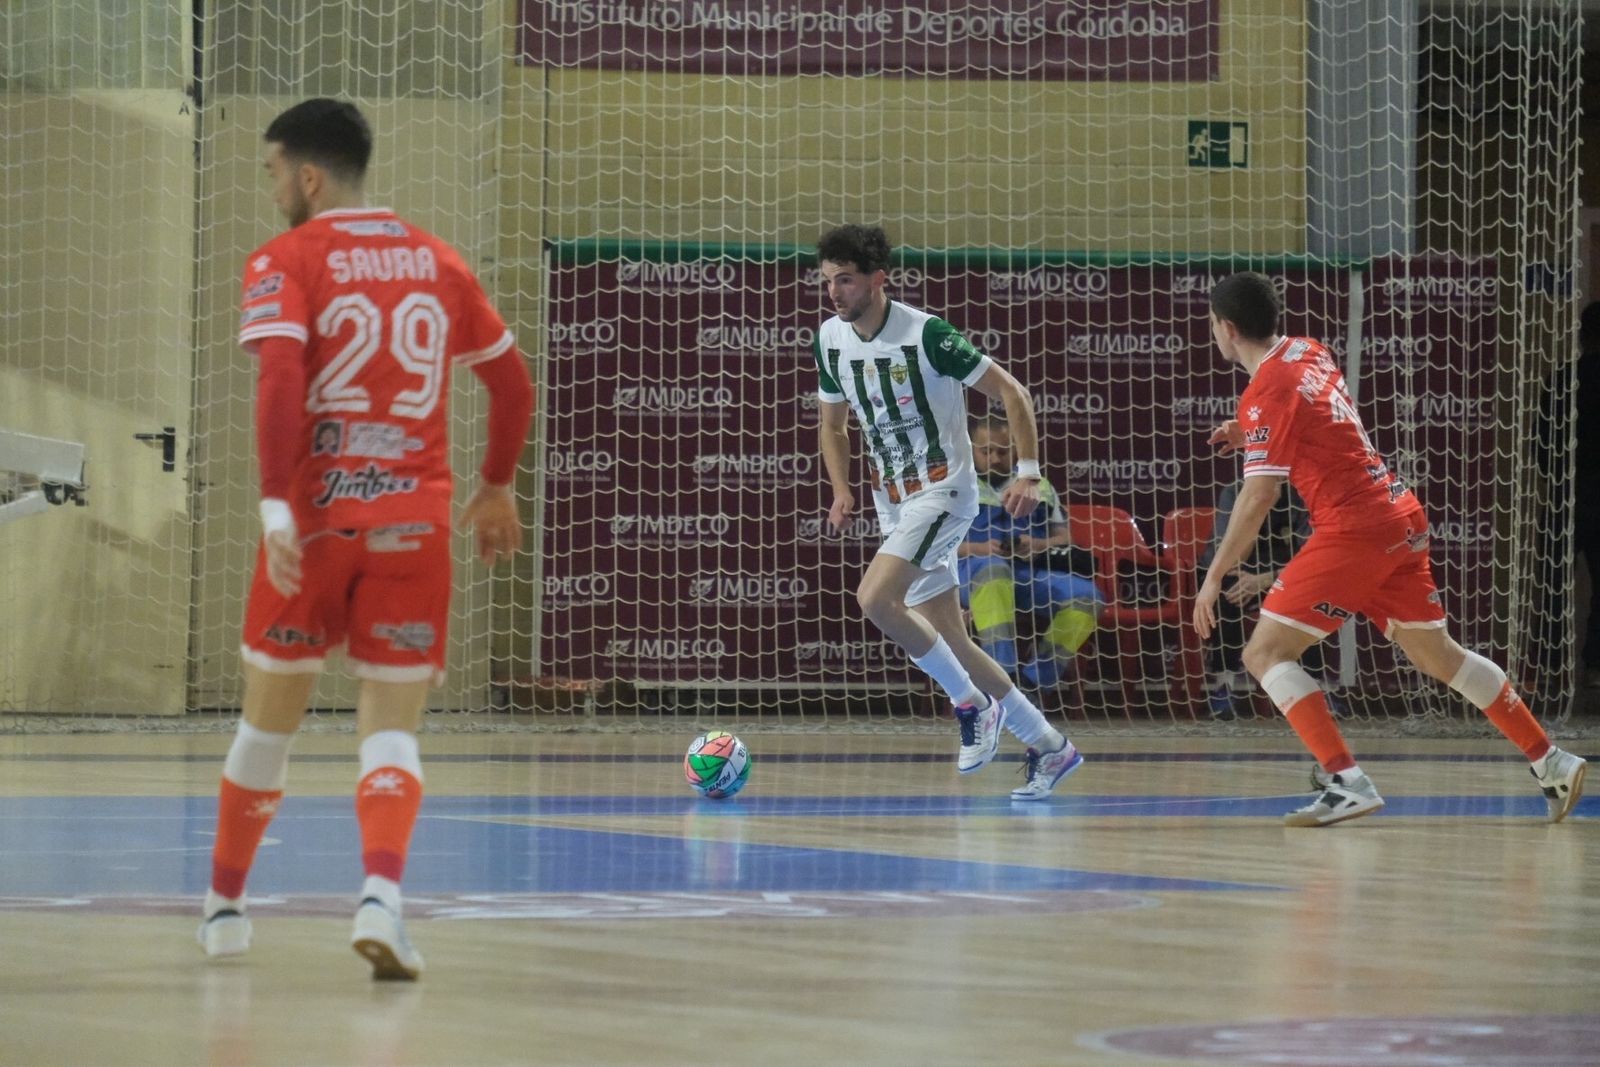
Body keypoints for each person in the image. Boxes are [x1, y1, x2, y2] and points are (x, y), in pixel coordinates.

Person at [199, 99, 535, 977]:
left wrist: (276, 507)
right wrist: (497, 485)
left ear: (307, 175)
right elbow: (512, 384)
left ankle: (226, 910)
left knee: (267, 727)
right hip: (412, 527)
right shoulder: (437, 260)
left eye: (273, 171)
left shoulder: (286, 258)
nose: (272, 188)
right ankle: (382, 896)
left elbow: (279, 377)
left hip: (312, 527)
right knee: (390, 733)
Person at [1193, 271, 1586, 827]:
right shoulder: (1308, 350)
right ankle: (1552, 760)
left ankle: (1344, 780)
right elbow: (1314, 414)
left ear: (1227, 329)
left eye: (1213, 324)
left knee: (1264, 654)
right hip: (1398, 513)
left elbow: (1258, 496)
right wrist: (1251, 430)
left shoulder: (1265, 392)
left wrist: (1214, 576)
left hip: (1354, 528)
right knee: (1440, 657)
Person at [813, 224, 1082, 799]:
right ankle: (1049, 746)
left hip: (941, 492)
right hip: (893, 502)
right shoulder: (830, 339)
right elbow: (832, 425)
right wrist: (841, 489)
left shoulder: (927, 334)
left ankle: (969, 703)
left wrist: (1028, 472)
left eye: (846, 280)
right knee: (954, 640)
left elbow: (1013, 392)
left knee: (875, 599)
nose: (834, 292)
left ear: (878, 280)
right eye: (828, 280)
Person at [958, 416, 1102, 694]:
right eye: (986, 451)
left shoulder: (1039, 486)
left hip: (1027, 573)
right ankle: (1003, 679)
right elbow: (936, 546)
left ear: (1015, 449)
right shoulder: (957, 484)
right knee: (994, 571)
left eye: (1003, 450)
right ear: (971, 450)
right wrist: (979, 548)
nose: (996, 458)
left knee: (1087, 597)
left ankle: (1034, 684)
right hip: (972, 573)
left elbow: (1065, 538)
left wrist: (1036, 544)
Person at [1196, 479, 1337, 721]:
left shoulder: (1301, 494)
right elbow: (1230, 558)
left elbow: (1313, 558)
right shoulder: (1235, 492)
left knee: (1312, 590)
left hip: (1284, 573)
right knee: (1227, 588)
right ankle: (1224, 685)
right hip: (1240, 573)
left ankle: (1315, 684)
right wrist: (1256, 510)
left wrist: (1267, 578)